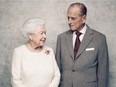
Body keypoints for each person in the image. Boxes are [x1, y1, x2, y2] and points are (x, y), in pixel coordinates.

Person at [56, 2, 109, 87]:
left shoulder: (99, 39)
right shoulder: (61, 38)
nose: (69, 22)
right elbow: (57, 70)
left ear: (83, 18)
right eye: (68, 18)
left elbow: (103, 73)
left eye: (73, 18)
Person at [11, 17, 60, 87]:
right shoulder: (19, 52)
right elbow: (15, 80)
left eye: (45, 33)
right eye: (41, 33)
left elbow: (57, 75)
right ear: (30, 35)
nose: (45, 36)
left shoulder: (49, 51)